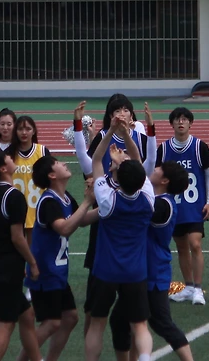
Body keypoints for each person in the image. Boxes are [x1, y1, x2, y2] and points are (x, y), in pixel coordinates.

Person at [111, 161, 194, 361]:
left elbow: (139, 202)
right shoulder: (157, 200)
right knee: (123, 320)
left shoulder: (163, 204)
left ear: (164, 181)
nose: (153, 170)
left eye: (157, 170)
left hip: (153, 273)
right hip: (141, 270)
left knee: (161, 322)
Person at [85, 131, 155, 361]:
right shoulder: (148, 199)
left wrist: (111, 133)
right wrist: (125, 133)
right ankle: (144, 357)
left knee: (97, 324)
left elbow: (96, 160)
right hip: (135, 271)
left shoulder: (107, 200)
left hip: (105, 270)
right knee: (140, 325)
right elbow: (137, 161)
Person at [24, 155, 96, 361]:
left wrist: (111, 205)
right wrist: (87, 202)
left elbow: (82, 220)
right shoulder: (49, 201)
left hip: (57, 272)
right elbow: (64, 228)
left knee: (70, 317)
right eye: (57, 163)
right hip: (45, 271)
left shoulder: (65, 198)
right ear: (52, 175)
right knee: (52, 322)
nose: (63, 163)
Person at [0, 147, 43, 361]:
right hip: (7, 269)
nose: (10, 158)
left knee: (27, 315)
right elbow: (17, 237)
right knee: (5, 325)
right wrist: (32, 263)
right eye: (6, 157)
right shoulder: (14, 196)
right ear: (3, 168)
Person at [161, 106, 209, 306]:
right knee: (181, 246)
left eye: (184, 119)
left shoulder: (199, 147)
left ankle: (198, 289)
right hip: (174, 206)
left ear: (191, 123)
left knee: (195, 244)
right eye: (177, 119)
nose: (181, 122)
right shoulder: (164, 148)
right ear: (172, 123)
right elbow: (157, 175)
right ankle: (189, 286)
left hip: (195, 206)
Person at [9, 114, 51, 238]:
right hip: (16, 209)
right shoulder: (9, 154)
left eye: (28, 129)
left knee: (35, 248)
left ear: (34, 131)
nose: (24, 132)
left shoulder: (42, 151)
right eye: (20, 129)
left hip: (38, 208)